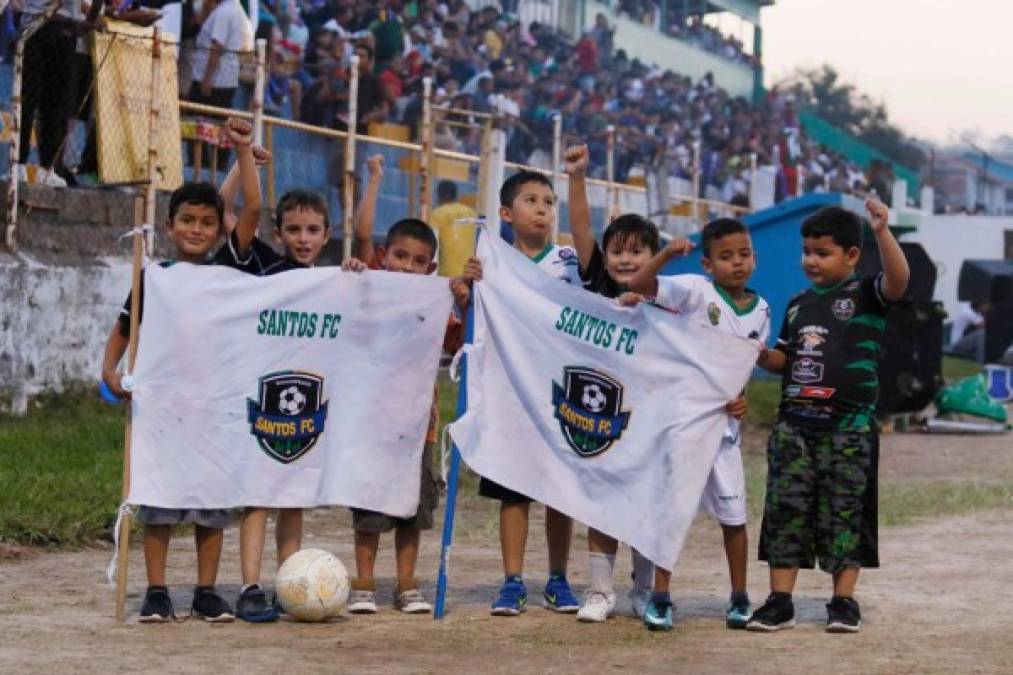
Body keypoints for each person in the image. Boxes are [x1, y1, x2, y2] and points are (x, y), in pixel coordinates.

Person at [99, 119, 262, 623]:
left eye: (207, 223)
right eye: (187, 221)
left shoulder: (228, 273)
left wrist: (242, 150)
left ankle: (207, 590)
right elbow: (125, 328)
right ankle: (156, 590)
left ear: (220, 230)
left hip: (216, 405)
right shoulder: (153, 277)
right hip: (163, 407)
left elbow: (253, 207)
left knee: (212, 503)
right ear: (170, 226)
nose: (196, 229)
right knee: (160, 500)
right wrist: (109, 370)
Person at [747, 199, 909, 633]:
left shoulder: (867, 294)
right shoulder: (798, 304)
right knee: (786, 510)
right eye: (807, 252)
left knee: (845, 512)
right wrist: (762, 355)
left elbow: (899, 280)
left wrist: (882, 232)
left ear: (851, 255)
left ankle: (842, 602)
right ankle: (780, 601)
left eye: (822, 253)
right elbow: (784, 357)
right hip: (794, 429)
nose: (810, 261)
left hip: (849, 430)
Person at [625, 218, 771, 631]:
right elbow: (638, 281)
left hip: (724, 430)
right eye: (726, 257)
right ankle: (661, 595)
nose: (737, 264)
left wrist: (740, 400)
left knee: (734, 516)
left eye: (743, 255)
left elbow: (745, 363)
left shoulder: (761, 310)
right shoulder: (694, 290)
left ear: (754, 259)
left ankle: (740, 596)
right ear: (708, 264)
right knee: (673, 510)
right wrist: (668, 254)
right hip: (685, 421)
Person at [341, 212, 479, 614]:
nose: (407, 266)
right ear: (383, 256)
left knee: (413, 509)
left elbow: (461, 344)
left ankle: (407, 585)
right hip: (368, 422)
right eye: (400, 256)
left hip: (420, 425)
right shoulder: (367, 292)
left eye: (419, 261)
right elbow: (341, 308)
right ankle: (363, 585)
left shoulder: (436, 305)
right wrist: (351, 275)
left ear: (431, 268)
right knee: (368, 506)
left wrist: (465, 302)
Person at [553, 144, 657, 623]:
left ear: (655, 258)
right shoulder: (595, 283)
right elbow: (581, 228)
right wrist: (577, 177)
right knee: (600, 503)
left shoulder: (664, 299)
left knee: (643, 507)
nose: (623, 259)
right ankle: (599, 592)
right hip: (597, 415)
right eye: (617, 251)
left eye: (637, 252)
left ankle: (644, 590)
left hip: (647, 420)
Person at [480, 168, 583, 616]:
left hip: (561, 392)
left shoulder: (569, 263)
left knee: (560, 492)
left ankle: (558, 577)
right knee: (513, 491)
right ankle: (512, 580)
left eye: (548, 202)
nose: (541, 209)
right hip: (511, 393)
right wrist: (468, 287)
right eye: (531, 201)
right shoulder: (492, 261)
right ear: (506, 213)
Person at [18, 0, 105, 187]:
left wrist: (90, 20)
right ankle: (18, 165)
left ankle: (47, 168)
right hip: (37, 24)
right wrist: (90, 19)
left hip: (63, 26)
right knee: (28, 100)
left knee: (54, 106)